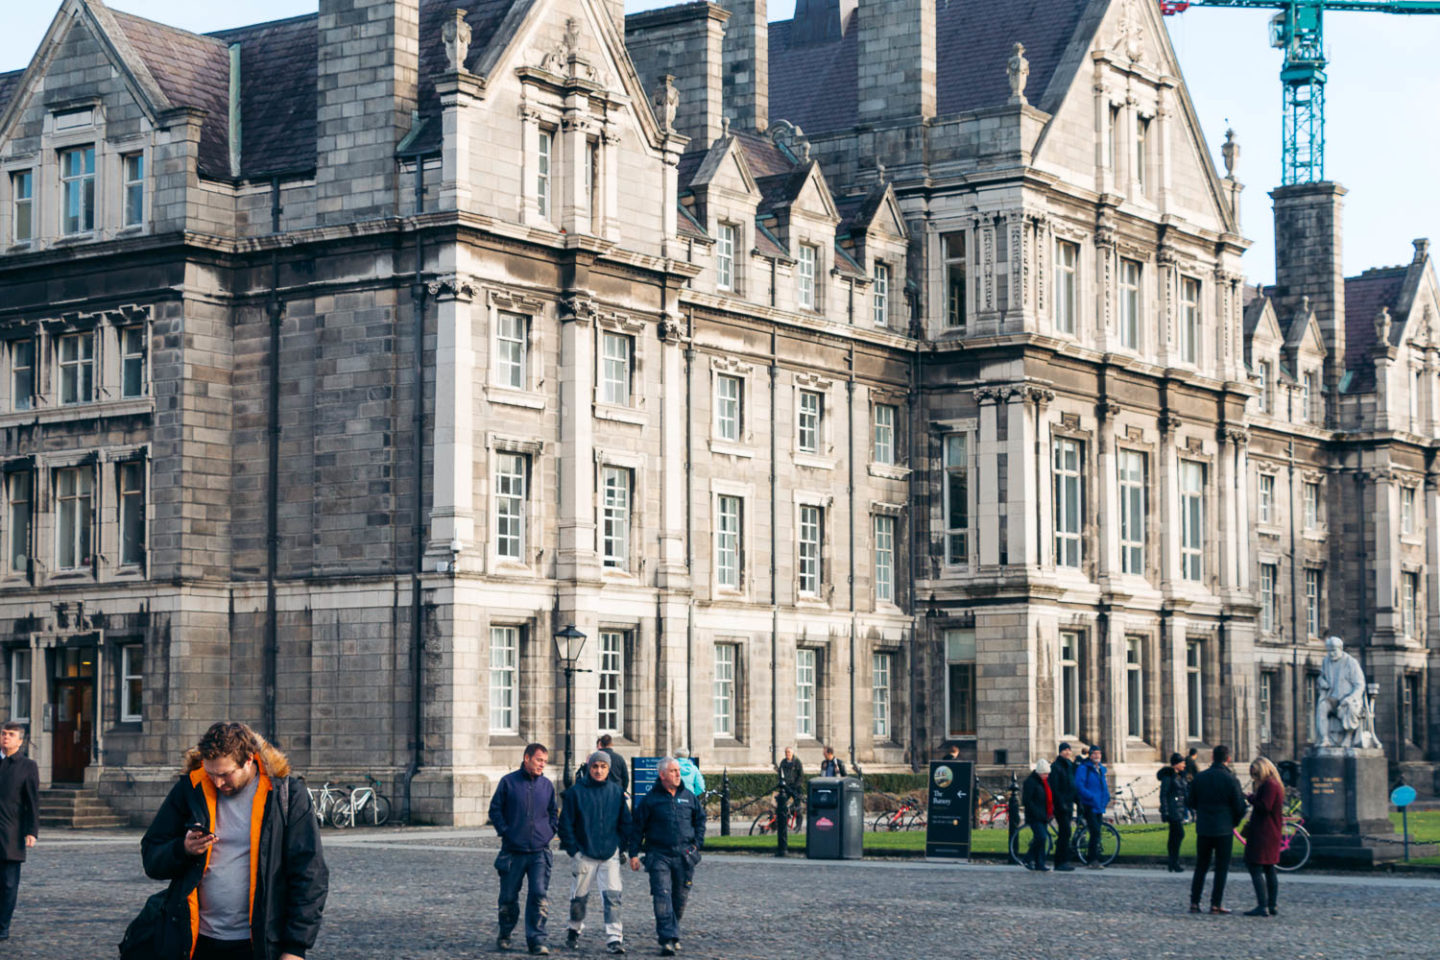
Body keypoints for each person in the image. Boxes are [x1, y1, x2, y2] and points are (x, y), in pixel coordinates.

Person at [140, 721, 327, 960]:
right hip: (196, 940)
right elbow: (151, 856)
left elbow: (310, 873)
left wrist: (295, 948)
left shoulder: (287, 795)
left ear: (249, 759)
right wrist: (182, 848)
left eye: (225, 774)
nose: (218, 783)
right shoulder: (191, 789)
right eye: (211, 774)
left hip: (259, 943)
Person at [629, 757, 705, 957]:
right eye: (673, 771)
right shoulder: (650, 800)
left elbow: (700, 820)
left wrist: (697, 844)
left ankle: (673, 927)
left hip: (684, 855)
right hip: (658, 854)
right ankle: (668, 939)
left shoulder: (688, 797)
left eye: (678, 771)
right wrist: (634, 854)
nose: (678, 774)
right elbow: (637, 828)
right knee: (662, 895)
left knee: (680, 897)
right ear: (662, 775)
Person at [559, 752, 632, 954]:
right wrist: (574, 850)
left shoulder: (616, 792)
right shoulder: (576, 793)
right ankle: (574, 929)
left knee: (613, 897)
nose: (599, 771)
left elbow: (625, 822)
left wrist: (621, 846)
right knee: (579, 897)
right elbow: (565, 824)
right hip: (584, 853)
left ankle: (614, 937)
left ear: (608, 769)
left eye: (603, 767)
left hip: (609, 853)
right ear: (589, 768)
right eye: (595, 767)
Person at [490, 743, 559, 955]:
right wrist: (506, 831)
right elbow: (495, 810)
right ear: (527, 758)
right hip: (513, 851)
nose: (542, 765)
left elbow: (553, 812)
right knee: (509, 896)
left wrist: (549, 832)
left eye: (545, 762)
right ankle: (505, 933)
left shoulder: (547, 785)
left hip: (539, 851)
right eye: (539, 760)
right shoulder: (508, 783)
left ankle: (536, 940)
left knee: (539, 894)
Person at [1187, 744, 1247, 914]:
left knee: (1201, 866)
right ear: (1227, 759)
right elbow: (1240, 806)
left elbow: (1190, 802)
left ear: (1213, 757)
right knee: (1221, 868)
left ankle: (1194, 902)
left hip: (1205, 827)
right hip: (1224, 829)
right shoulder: (1231, 779)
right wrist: (1233, 821)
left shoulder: (1201, 778)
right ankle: (1215, 903)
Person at [0, 721, 39, 943]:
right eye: (3, 733)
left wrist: (31, 831)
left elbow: (32, 801)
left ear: (20, 741)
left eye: (11, 734)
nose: (6, 737)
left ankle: (3, 925)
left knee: (7, 884)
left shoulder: (27, 766)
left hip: (11, 834)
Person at [1242, 757, 1285, 918]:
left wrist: (1251, 798)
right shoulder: (1275, 784)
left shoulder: (1269, 785)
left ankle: (1263, 905)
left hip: (1263, 832)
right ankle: (1271, 904)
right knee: (1269, 868)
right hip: (1270, 831)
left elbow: (1265, 806)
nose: (1255, 777)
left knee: (1255, 867)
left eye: (1255, 773)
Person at [1073, 745, 1109, 869]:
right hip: (1089, 804)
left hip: (1098, 805)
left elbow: (1103, 786)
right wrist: (1091, 797)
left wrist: (1106, 798)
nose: (1097, 756)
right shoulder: (1084, 768)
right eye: (1094, 753)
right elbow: (1079, 785)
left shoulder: (1101, 770)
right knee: (1095, 832)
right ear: (1090, 755)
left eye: (1099, 753)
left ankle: (1094, 858)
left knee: (1097, 833)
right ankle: (1092, 859)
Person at [1048, 743, 1077, 872]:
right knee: (1064, 833)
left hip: (1068, 803)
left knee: (1066, 833)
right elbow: (1055, 788)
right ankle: (1060, 862)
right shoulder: (1056, 767)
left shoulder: (1069, 766)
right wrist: (1061, 804)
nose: (1067, 752)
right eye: (1064, 750)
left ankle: (1064, 860)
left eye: (1068, 750)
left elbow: (1072, 786)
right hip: (1061, 805)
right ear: (1060, 752)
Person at [1158, 752, 1188, 873]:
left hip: (1179, 808)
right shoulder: (1168, 777)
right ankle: (1174, 861)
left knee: (1174, 836)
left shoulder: (1180, 776)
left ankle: (1172, 862)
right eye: (1182, 763)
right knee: (1178, 834)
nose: (1184, 765)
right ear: (1176, 764)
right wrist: (1165, 810)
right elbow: (1163, 794)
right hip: (1172, 809)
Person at [1022, 758, 1053, 871]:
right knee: (1041, 837)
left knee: (1041, 839)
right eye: (1045, 773)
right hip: (1034, 816)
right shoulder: (1030, 782)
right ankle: (1028, 857)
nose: (1047, 775)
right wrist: (1037, 812)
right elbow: (1027, 801)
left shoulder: (1044, 782)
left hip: (1043, 815)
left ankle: (1040, 863)